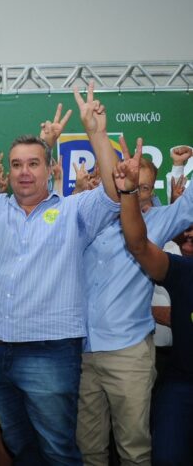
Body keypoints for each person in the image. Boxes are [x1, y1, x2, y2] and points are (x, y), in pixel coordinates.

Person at [0, 83, 121, 465]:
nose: (24, 172)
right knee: (20, 446)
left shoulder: (75, 212)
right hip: (0, 348)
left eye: (33, 163)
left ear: (49, 167)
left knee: (58, 451)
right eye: (18, 164)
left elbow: (112, 188)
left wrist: (98, 134)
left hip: (51, 351)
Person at [77, 145, 193, 464]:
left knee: (134, 450)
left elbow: (190, 203)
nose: (137, 193)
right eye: (127, 182)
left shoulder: (159, 220)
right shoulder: (87, 219)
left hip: (129, 353)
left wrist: (185, 165)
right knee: (88, 450)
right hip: (84, 351)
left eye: (143, 187)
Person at [116, 136, 193, 465]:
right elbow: (138, 244)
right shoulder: (182, 270)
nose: (189, 234)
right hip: (180, 380)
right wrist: (130, 193)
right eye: (188, 230)